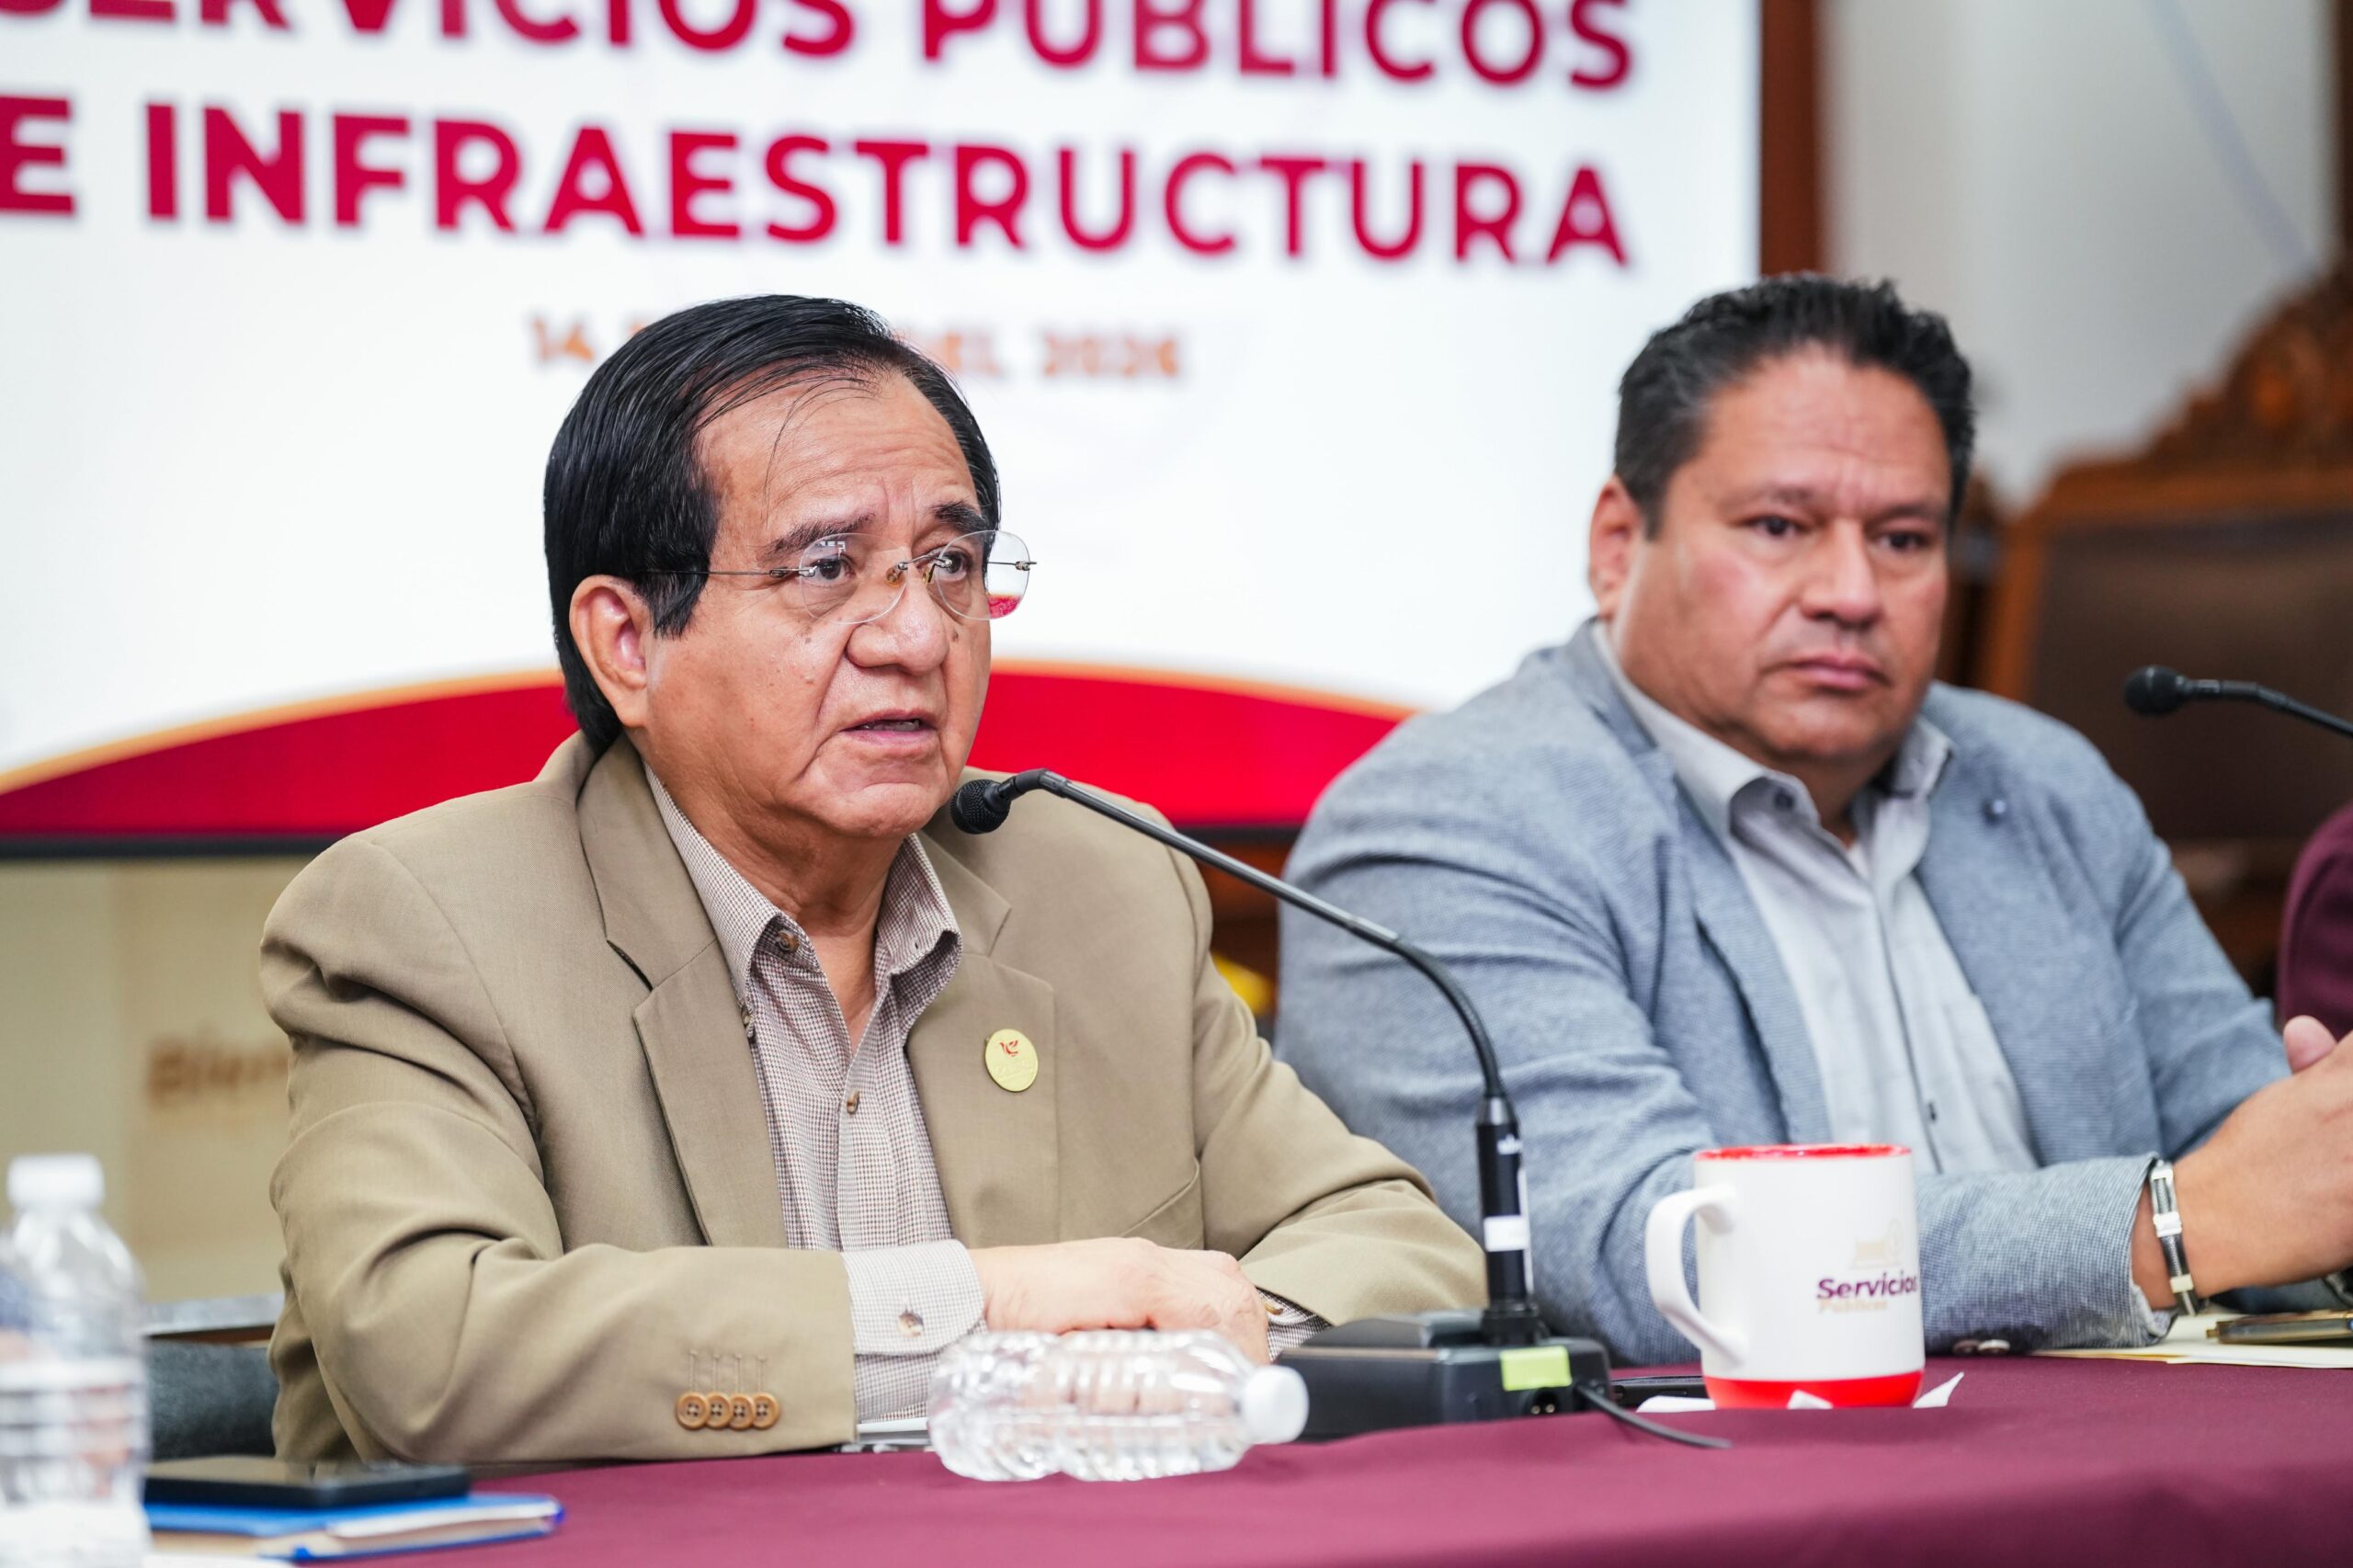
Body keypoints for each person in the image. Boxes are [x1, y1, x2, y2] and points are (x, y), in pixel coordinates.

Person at [261, 295, 1482, 1462]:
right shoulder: (427, 919)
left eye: (950, 562)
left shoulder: (1100, 882)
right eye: (826, 567)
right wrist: (985, 1314)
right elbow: (430, 1350)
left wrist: (1183, 1347)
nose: (916, 635)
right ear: (627, 642)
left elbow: (1405, 1251)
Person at [1276, 275, 2353, 1365]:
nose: (1850, 591)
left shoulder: (2041, 783)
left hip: (2137, 1433)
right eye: (1779, 526)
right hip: (1717, 1467)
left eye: (1902, 539)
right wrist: (2170, 1225)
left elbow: (2255, 1151)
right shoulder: (1443, 824)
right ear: (1617, 544)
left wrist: (2322, 1172)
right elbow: (1649, 1260)